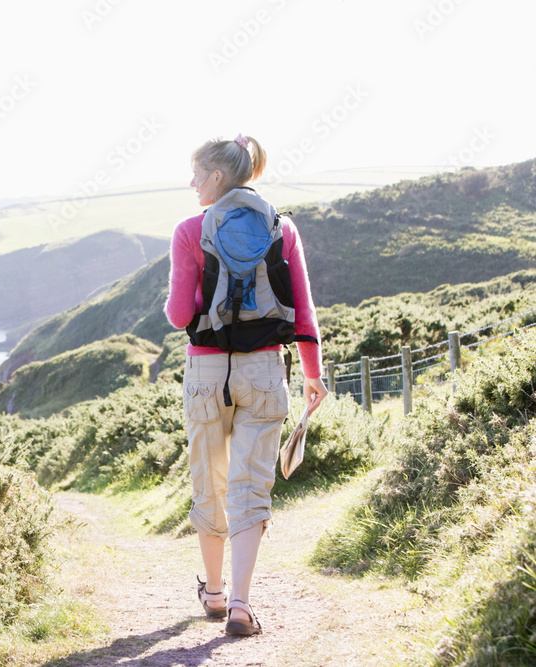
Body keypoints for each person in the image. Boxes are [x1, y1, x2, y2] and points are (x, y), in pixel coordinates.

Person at [164, 134, 328, 636]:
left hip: (207, 372)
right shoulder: (284, 229)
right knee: (251, 486)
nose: (191, 183)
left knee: (208, 482)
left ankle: (211, 594)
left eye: (197, 173)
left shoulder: (191, 230)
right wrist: (313, 374)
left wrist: (194, 287)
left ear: (218, 177)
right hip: (263, 369)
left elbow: (177, 316)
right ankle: (239, 605)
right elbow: (302, 308)